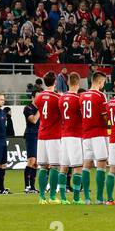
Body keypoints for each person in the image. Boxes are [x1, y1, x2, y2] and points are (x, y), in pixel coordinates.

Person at [79, 72, 110, 205]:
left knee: (86, 164)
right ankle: (99, 197)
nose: (103, 85)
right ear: (99, 81)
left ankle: (86, 197)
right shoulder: (100, 95)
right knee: (101, 163)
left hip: (86, 134)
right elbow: (105, 116)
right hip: (98, 133)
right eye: (103, 82)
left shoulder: (82, 96)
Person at [35, 72, 64, 204]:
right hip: (54, 135)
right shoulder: (58, 98)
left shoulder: (39, 97)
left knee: (43, 166)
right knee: (54, 166)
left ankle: (41, 197)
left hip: (42, 135)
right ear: (55, 82)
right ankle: (52, 196)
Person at [59, 72, 84, 203]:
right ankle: (76, 197)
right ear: (78, 83)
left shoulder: (61, 98)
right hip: (75, 135)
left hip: (64, 135)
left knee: (64, 166)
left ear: (68, 83)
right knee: (77, 167)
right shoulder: (78, 99)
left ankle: (63, 198)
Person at [22, 91, 40, 194]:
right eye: (37, 97)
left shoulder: (40, 109)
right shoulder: (28, 108)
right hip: (31, 135)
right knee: (31, 160)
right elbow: (33, 120)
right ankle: (27, 186)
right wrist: (40, 110)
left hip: (39, 135)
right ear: (32, 98)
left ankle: (33, 186)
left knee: (36, 163)